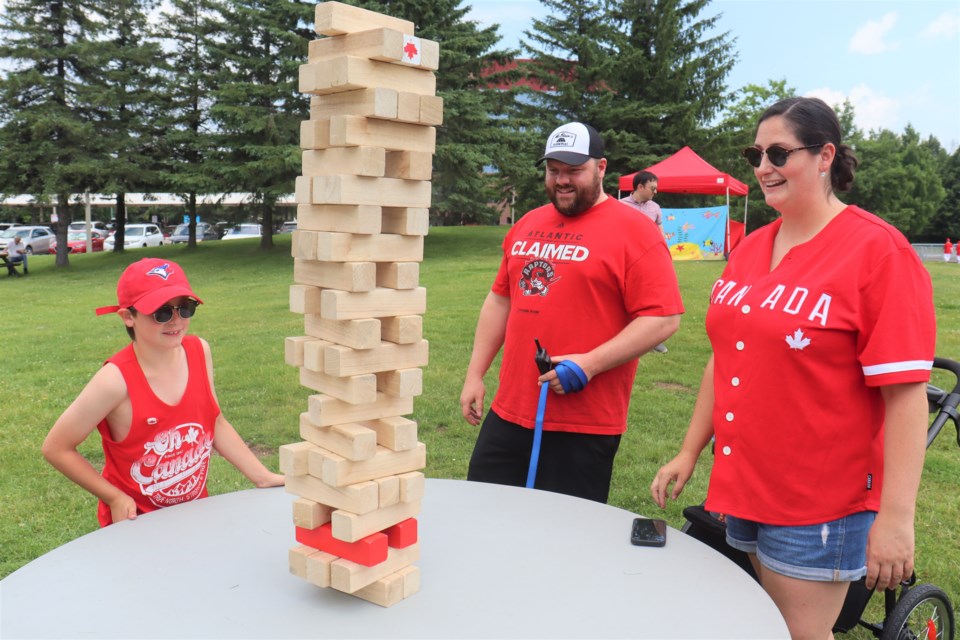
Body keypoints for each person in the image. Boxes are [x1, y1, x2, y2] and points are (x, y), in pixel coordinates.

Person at [650, 97, 936, 640]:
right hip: (745, 482)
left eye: (778, 152)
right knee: (763, 623)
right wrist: (690, 450)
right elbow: (725, 354)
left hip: (819, 499)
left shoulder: (879, 252)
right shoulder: (753, 245)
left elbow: (905, 395)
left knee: (799, 632)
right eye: (754, 153)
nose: (762, 167)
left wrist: (896, 518)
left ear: (825, 155)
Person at [460, 122, 684, 503]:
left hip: (584, 424)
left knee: (566, 542)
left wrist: (589, 364)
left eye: (574, 170)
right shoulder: (528, 223)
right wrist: (475, 375)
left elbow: (663, 317)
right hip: (510, 411)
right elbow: (501, 299)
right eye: (554, 170)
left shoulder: (636, 231)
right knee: (484, 517)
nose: (562, 180)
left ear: (601, 168)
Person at [42, 258, 284, 527]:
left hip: (193, 513)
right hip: (137, 524)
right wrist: (114, 497)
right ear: (128, 317)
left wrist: (262, 476)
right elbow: (57, 447)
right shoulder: (115, 380)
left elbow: (214, 421)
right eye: (161, 313)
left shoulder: (199, 351)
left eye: (185, 308)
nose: (176, 321)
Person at [619, 171, 669, 352]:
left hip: (647, 260)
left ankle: (653, 338)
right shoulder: (620, 206)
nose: (655, 192)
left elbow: (659, 233)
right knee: (624, 297)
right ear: (640, 187)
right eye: (652, 188)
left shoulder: (655, 208)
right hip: (624, 259)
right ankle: (624, 335)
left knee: (648, 297)